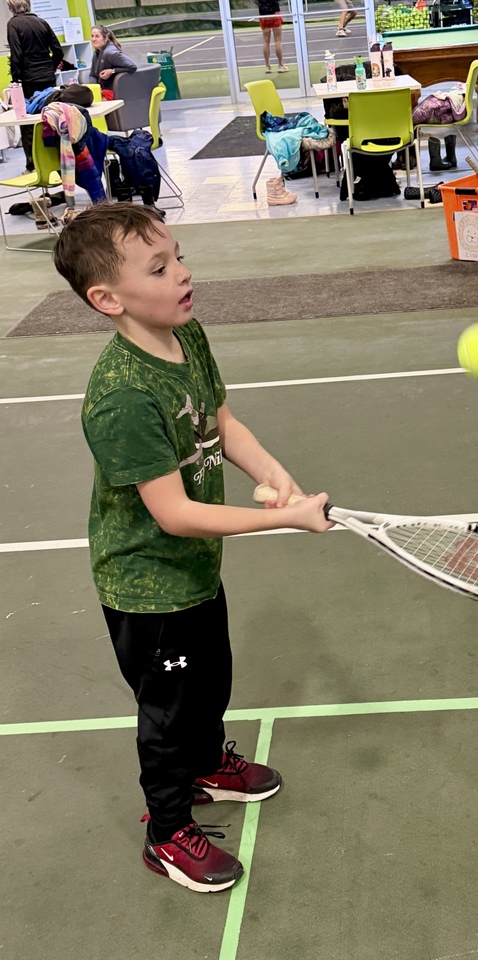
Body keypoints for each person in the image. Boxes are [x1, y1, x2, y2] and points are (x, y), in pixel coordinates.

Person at [53, 203, 334, 893]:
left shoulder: (188, 335)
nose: (184, 273)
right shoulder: (121, 394)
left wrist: (272, 474)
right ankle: (168, 829)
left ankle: (209, 763)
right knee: (170, 709)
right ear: (107, 299)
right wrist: (285, 520)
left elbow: (221, 421)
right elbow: (174, 513)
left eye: (177, 255)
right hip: (148, 587)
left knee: (211, 678)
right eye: (160, 267)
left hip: (194, 572)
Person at [5, 0, 64, 170]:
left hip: (28, 80)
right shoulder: (42, 22)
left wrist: (16, 80)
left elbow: (17, 55)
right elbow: (58, 51)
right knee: (50, 119)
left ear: (11, 6)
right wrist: (50, 68)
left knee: (27, 123)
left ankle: (32, 165)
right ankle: (55, 161)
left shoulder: (13, 25)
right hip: (47, 78)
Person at [254, 0, 288, 73]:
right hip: (274, 13)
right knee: (278, 40)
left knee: (265, 41)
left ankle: (267, 66)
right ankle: (280, 65)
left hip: (263, 14)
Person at [89, 25, 137, 99]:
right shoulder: (97, 52)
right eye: (92, 36)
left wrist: (112, 71)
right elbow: (92, 74)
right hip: (100, 92)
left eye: (97, 36)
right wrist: (94, 90)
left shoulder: (110, 53)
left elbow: (132, 67)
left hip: (112, 93)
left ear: (105, 39)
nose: (93, 39)